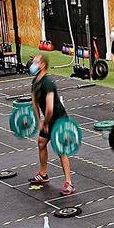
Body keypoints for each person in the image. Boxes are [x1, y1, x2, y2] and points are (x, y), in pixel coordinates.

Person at [28, 54, 76, 196]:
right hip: (48, 120)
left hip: (59, 119)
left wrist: (46, 123)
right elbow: (34, 104)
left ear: (42, 65)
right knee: (41, 142)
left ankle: (69, 183)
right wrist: (39, 122)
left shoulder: (48, 83)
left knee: (60, 150)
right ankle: (43, 174)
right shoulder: (35, 81)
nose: (32, 64)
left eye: (35, 62)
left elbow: (49, 108)